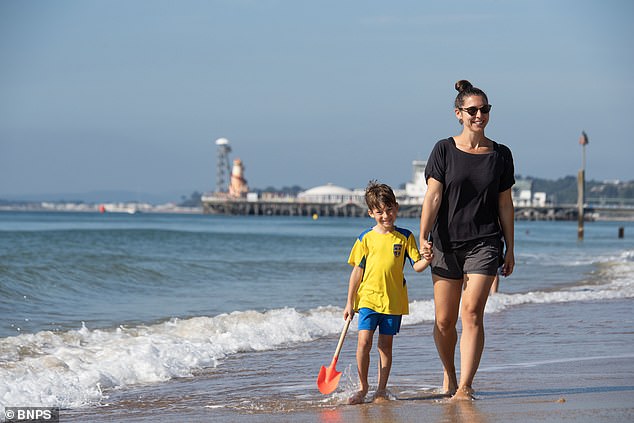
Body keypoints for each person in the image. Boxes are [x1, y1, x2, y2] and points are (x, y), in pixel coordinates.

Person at [419, 80, 515, 400]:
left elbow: (505, 203)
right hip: (446, 243)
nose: (479, 115)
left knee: (471, 313)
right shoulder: (443, 149)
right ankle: (449, 375)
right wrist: (423, 236)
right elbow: (433, 196)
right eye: (472, 110)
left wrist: (510, 248)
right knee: (445, 322)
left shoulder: (500, 154)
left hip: (485, 242)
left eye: (484, 109)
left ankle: (465, 385)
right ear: (458, 113)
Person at [344, 181, 429, 405]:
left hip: (393, 301)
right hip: (368, 299)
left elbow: (417, 265)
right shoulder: (365, 238)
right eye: (380, 211)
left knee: (385, 346)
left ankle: (381, 389)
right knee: (363, 342)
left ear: (397, 208)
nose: (385, 215)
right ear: (371, 213)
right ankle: (363, 387)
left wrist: (428, 259)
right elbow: (357, 272)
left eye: (389, 209)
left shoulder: (405, 237)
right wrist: (349, 302)